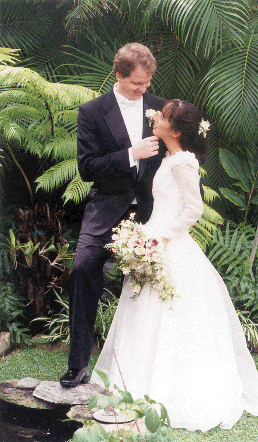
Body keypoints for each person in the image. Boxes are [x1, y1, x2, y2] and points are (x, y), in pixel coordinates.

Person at [90, 100, 258, 432]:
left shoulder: (183, 163)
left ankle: (173, 389)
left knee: (171, 313)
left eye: (162, 117)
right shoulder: (169, 157)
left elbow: (193, 210)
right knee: (144, 312)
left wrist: (161, 238)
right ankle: (138, 379)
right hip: (153, 239)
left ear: (174, 130)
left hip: (168, 244)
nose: (155, 118)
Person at [60, 43, 167, 387]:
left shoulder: (159, 108)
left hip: (152, 211)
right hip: (105, 207)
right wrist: (130, 154)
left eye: (147, 83)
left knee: (153, 286)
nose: (143, 91)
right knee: (81, 271)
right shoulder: (92, 111)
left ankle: (150, 371)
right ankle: (77, 365)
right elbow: (88, 168)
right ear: (119, 75)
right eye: (136, 84)